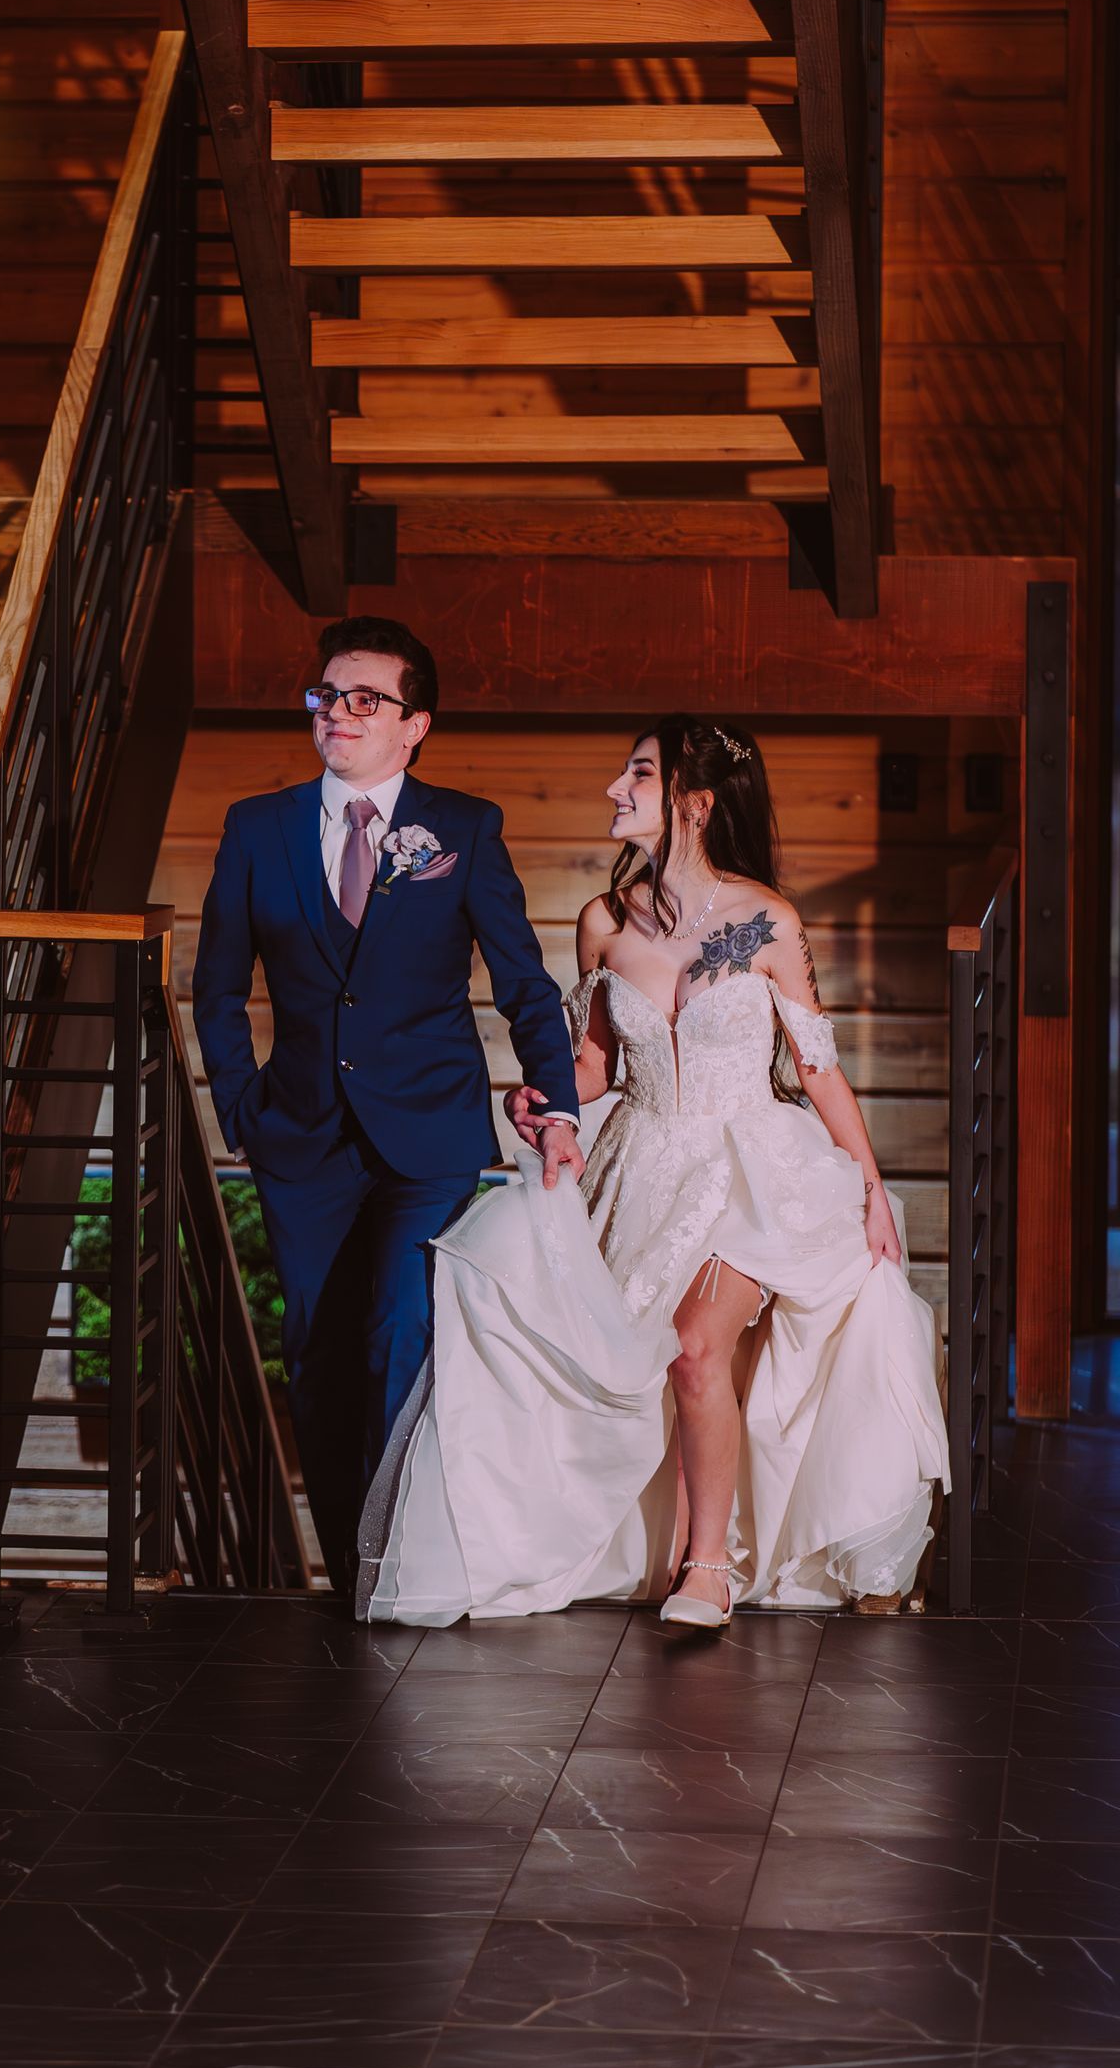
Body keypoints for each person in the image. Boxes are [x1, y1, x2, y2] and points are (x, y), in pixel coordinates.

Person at [357, 717, 950, 1629]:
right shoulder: (604, 920)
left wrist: (869, 1187)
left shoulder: (768, 921)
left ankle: (708, 1569)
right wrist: (543, 1102)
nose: (613, 789)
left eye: (636, 773)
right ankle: (669, 1547)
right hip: (640, 1167)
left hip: (755, 1169)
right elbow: (592, 1066)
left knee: (698, 1343)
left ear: (695, 803)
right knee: (641, 1364)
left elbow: (819, 1067)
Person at [191, 615, 583, 1597]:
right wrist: (242, 1105)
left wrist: (562, 1104)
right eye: (328, 695)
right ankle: (351, 1570)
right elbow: (217, 984)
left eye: (367, 699)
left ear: (415, 725)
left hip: (432, 1133)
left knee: (399, 1333)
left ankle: (402, 1559)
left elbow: (524, 983)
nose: (340, 713)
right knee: (319, 1356)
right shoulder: (258, 827)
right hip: (302, 1138)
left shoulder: (465, 828)